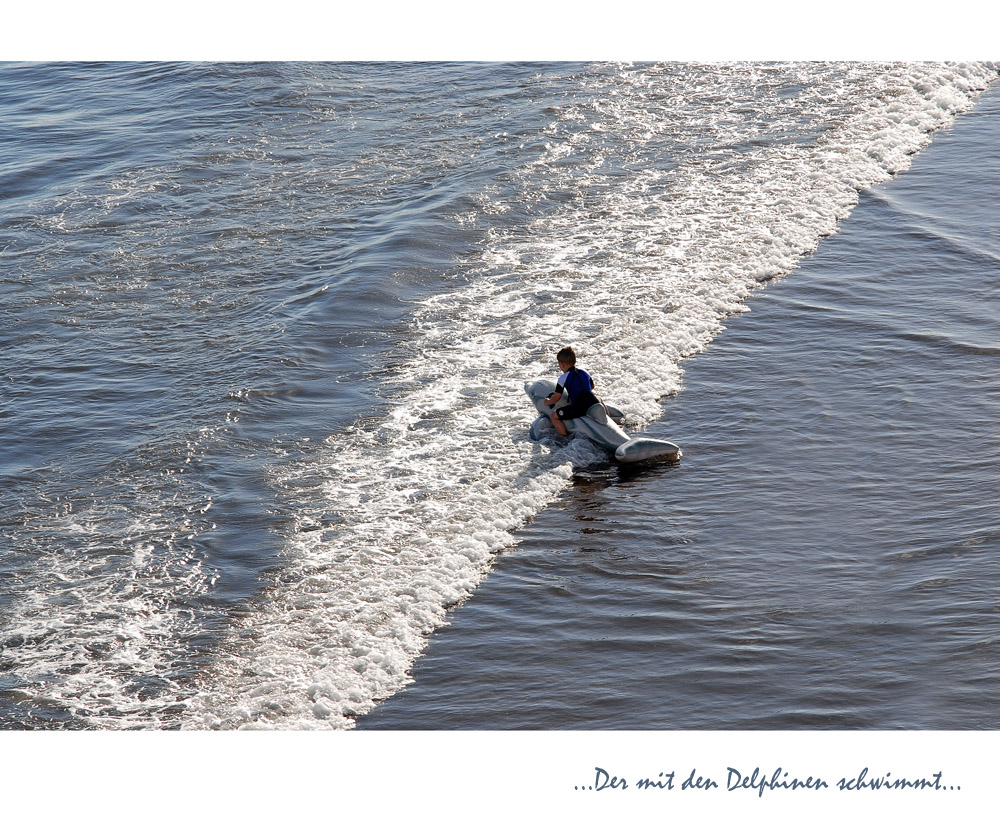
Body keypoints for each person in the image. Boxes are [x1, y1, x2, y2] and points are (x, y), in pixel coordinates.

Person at [544, 346, 601, 436]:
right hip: (593, 402)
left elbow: (556, 397)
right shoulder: (584, 372)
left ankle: (565, 438)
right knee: (600, 400)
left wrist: (547, 402)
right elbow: (592, 387)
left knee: (554, 416)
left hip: (580, 407)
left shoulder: (563, 377)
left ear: (562, 364)